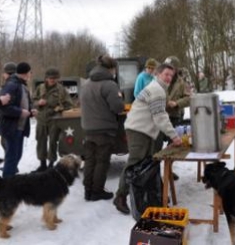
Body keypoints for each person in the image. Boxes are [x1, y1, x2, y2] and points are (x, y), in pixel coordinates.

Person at [113, 63, 182, 215]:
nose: (169, 78)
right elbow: (160, 117)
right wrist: (174, 137)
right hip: (138, 130)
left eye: (171, 75)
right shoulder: (157, 90)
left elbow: (158, 114)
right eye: (166, 74)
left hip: (143, 130)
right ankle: (120, 196)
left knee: (147, 163)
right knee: (134, 163)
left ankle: (153, 197)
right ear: (157, 74)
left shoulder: (158, 87)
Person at [80, 55, 124, 201]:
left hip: (88, 128)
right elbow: (117, 108)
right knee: (102, 161)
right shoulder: (109, 84)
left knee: (90, 160)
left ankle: (88, 190)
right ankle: (97, 191)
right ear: (111, 68)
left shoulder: (86, 83)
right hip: (104, 129)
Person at [154, 56, 190, 181]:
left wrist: (177, 103)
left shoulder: (182, 83)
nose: (169, 71)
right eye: (167, 68)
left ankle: (168, 170)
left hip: (174, 118)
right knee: (156, 149)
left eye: (172, 68)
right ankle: (155, 175)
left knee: (173, 148)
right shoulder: (158, 81)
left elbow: (189, 98)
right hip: (159, 118)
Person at [0, 62, 37, 178]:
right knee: (12, 157)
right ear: (27, 73)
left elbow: (23, 104)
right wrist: (20, 112)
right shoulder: (12, 85)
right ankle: (6, 186)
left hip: (19, 127)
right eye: (30, 72)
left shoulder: (22, 85)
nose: (31, 75)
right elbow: (4, 108)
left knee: (17, 155)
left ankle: (9, 181)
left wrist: (30, 112)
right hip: (12, 127)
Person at [33, 67, 74, 172]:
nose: (52, 80)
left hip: (54, 120)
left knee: (52, 142)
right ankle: (42, 164)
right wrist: (38, 103)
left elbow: (69, 104)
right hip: (41, 118)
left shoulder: (61, 90)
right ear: (46, 78)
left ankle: (51, 164)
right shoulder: (40, 88)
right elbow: (33, 101)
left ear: (58, 79)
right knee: (41, 142)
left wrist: (59, 108)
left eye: (54, 78)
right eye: (50, 78)